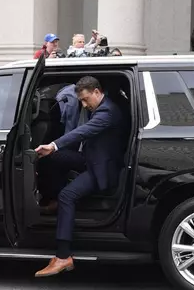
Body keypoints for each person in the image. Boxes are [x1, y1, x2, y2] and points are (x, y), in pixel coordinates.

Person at [33, 76, 124, 277]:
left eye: (85, 99)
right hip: (90, 159)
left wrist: (53, 144)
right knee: (50, 159)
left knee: (68, 195)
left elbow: (83, 132)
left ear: (97, 92)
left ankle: (63, 257)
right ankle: (53, 199)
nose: (83, 104)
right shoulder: (102, 106)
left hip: (101, 169)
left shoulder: (107, 111)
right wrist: (52, 150)